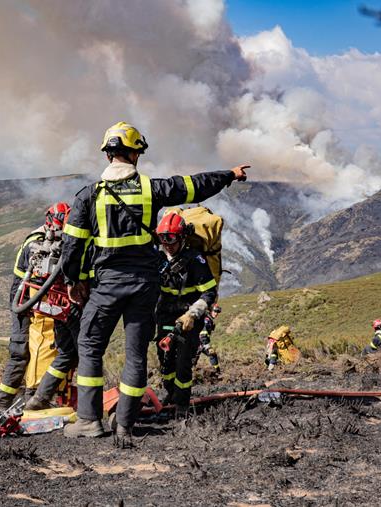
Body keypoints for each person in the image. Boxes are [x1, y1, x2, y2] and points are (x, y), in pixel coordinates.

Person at [59, 121, 248, 438]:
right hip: (145, 288)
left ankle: (89, 422)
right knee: (136, 355)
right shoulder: (150, 189)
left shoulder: (89, 197)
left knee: (90, 346)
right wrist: (229, 174)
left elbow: (72, 245)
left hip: (106, 286)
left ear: (108, 156)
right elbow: (193, 186)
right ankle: (125, 424)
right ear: (135, 155)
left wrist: (74, 279)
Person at [0, 202, 81, 414]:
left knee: (62, 350)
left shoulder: (66, 240)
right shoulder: (34, 242)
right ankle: (1, 405)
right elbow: (24, 273)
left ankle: (36, 398)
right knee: (19, 352)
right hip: (26, 301)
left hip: (51, 301)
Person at [153, 212, 218, 416]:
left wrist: (193, 314)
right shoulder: (157, 258)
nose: (167, 244)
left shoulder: (194, 260)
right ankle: (171, 393)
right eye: (163, 239)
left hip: (188, 318)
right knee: (165, 358)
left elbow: (209, 292)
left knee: (182, 362)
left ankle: (182, 405)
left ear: (181, 238)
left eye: (171, 239)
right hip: (164, 316)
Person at [194, 304, 222, 374]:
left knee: (212, 355)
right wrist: (207, 345)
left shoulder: (209, 319)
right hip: (198, 343)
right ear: (211, 311)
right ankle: (191, 375)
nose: (216, 314)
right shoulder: (206, 320)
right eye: (215, 311)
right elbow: (203, 334)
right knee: (194, 359)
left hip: (200, 343)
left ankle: (217, 372)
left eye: (217, 312)